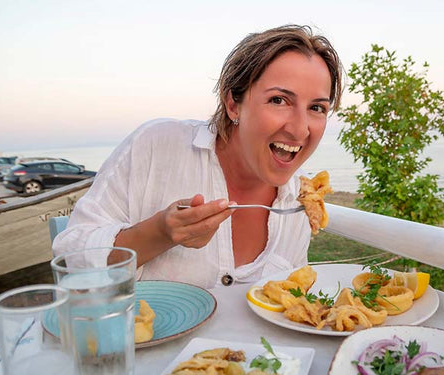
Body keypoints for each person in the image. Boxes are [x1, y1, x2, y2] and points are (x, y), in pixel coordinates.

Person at [53, 25, 343, 288]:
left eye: (317, 108)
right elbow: (70, 259)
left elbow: (289, 304)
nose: (299, 129)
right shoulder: (156, 145)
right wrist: (159, 233)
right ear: (233, 105)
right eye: (278, 100)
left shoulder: (297, 206)